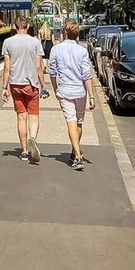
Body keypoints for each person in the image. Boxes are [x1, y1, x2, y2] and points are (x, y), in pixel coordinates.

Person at [48, 19, 96, 170]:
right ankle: (75, 153)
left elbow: (52, 72)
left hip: (65, 91)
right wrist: (92, 95)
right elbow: (87, 75)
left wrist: (56, 88)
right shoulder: (82, 51)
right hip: (80, 92)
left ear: (64, 33)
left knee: (71, 121)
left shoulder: (56, 49)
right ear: (77, 34)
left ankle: (76, 154)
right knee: (79, 122)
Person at [2, 14, 46, 164]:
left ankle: (25, 151)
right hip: (31, 84)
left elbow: (7, 68)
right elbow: (39, 67)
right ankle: (32, 138)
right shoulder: (35, 43)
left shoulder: (7, 42)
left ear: (15, 27)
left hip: (15, 84)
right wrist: (44, 86)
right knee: (33, 116)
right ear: (27, 27)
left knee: (21, 117)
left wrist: (4, 88)